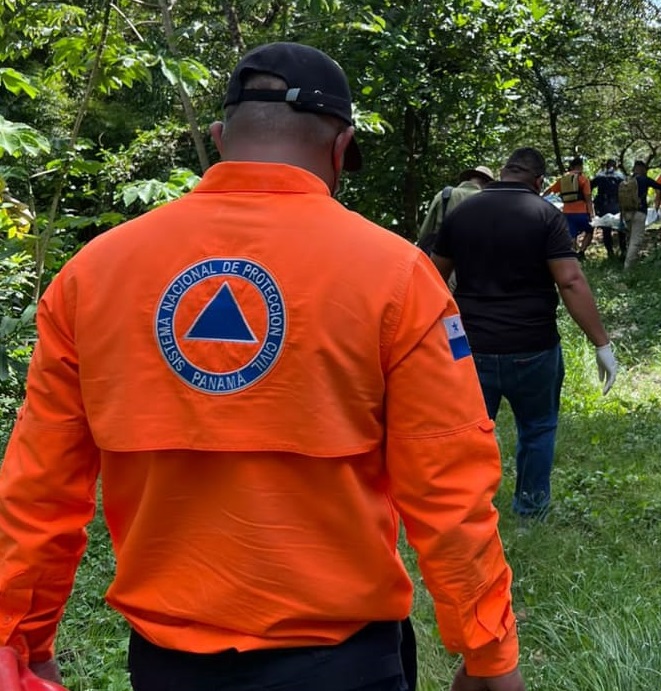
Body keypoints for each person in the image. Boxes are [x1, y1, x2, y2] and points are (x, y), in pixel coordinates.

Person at [0, 42, 525, 691]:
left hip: (167, 667)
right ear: (341, 149)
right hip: (345, 664)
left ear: (221, 137)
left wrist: (22, 639)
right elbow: (449, 485)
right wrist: (486, 651)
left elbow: (40, 487)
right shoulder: (395, 278)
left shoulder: (91, 277)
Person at [432, 147, 618, 519]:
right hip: (533, 347)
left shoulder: (462, 212)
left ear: (501, 173)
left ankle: (467, 510)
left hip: (471, 347)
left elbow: (432, 279)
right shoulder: (545, 215)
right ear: (537, 182)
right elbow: (570, 281)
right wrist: (602, 343)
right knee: (537, 429)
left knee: (469, 433)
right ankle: (530, 512)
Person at [416, 165, 495, 255]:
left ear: (469, 178)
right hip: (472, 257)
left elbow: (425, 232)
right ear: (487, 184)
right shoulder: (489, 201)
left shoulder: (444, 195)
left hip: (440, 257)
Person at [619, 160, 661, 269]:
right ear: (643, 169)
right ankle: (627, 268)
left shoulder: (626, 181)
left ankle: (629, 260)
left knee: (630, 238)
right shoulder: (644, 179)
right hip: (639, 212)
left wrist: (621, 216)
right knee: (636, 240)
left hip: (626, 213)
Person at [544, 156, 594, 259]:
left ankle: (573, 253)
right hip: (582, 212)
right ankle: (581, 251)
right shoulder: (583, 180)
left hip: (567, 212)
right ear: (580, 167)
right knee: (589, 231)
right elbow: (588, 199)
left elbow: (549, 191)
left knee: (572, 234)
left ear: (571, 167)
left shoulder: (563, 180)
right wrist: (591, 213)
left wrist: (539, 198)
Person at [590, 159, 627, 260]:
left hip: (604, 205)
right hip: (617, 204)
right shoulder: (620, 176)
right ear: (616, 166)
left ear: (606, 166)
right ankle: (623, 250)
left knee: (606, 229)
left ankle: (610, 252)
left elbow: (589, 187)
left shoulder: (600, 175)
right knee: (621, 228)